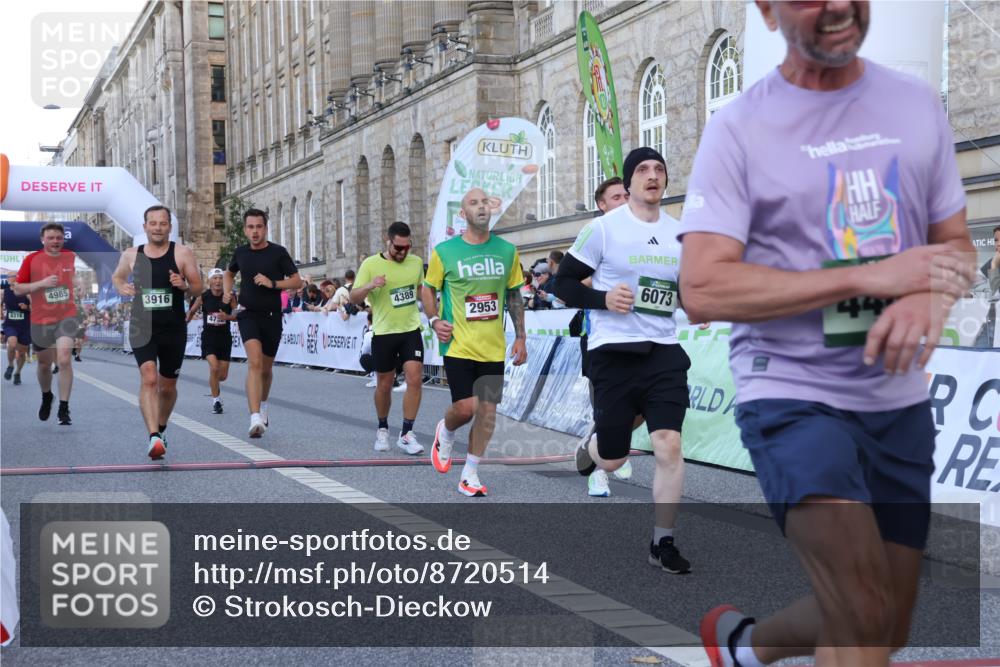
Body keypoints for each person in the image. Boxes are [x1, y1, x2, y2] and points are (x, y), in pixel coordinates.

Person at [678, 2, 976, 665]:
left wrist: (929, 296)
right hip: (791, 392)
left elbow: (955, 246)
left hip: (895, 402)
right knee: (862, 610)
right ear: (766, 8)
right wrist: (867, 277)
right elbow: (702, 288)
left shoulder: (914, 104)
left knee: (885, 621)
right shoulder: (740, 128)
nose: (839, 3)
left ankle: (745, 647)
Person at [554, 147, 691, 573]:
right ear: (628, 183)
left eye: (659, 169)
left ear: (665, 181)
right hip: (613, 352)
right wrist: (603, 298)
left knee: (669, 443)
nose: (652, 176)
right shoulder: (603, 229)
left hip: (664, 351)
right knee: (613, 458)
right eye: (643, 170)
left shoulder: (680, 233)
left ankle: (662, 541)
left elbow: (685, 292)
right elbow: (562, 284)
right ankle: (592, 447)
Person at [422, 187, 528, 497]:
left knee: (488, 412)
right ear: (463, 214)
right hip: (458, 344)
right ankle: (447, 429)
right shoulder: (445, 251)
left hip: (492, 346)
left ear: (492, 208)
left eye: (485, 202)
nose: (481, 207)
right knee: (467, 408)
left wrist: (521, 336)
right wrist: (433, 320)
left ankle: (470, 473)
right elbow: (428, 288)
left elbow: (513, 294)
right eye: (473, 203)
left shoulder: (508, 251)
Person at [113, 206, 202, 459]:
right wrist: (122, 287)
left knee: (167, 387)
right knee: (149, 379)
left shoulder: (182, 253)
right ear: (145, 227)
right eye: (153, 223)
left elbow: (198, 287)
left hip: (173, 328)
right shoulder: (131, 254)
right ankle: (153, 436)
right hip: (143, 326)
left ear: (169, 227)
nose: (158, 228)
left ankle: (161, 428)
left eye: (162, 223)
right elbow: (117, 277)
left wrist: (184, 285)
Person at [570, 175, 637, 497]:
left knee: (639, 407)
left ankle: (605, 441)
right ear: (601, 205)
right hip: (602, 338)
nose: (623, 201)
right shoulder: (596, 235)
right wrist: (605, 287)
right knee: (608, 409)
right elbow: (571, 283)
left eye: (626, 196)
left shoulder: (644, 235)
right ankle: (599, 472)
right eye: (616, 197)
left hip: (644, 337)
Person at [225, 208, 302, 438]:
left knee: (266, 370)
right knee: (255, 363)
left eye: (259, 227)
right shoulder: (240, 253)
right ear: (245, 230)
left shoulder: (278, 253)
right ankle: (255, 416)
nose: (255, 231)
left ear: (265, 229)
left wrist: (273, 283)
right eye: (250, 227)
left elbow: (296, 281)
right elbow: (229, 273)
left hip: (272, 316)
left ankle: (264, 405)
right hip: (248, 314)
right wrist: (227, 294)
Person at [351, 221, 426, 455]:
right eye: (398, 248)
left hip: (410, 330)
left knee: (414, 379)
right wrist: (370, 285)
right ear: (388, 240)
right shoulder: (371, 264)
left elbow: (422, 290)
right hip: (384, 332)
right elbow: (354, 297)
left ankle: (406, 434)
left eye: (407, 247)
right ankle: (382, 428)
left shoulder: (415, 263)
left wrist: (434, 315)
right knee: (384, 383)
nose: (403, 252)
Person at [13, 222, 80, 425]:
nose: (55, 241)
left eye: (59, 238)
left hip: (66, 316)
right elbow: (17, 289)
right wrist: (41, 284)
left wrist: (79, 284)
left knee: (64, 358)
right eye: (51, 238)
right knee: (44, 365)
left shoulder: (70, 256)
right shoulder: (31, 259)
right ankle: (47, 396)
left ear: (63, 239)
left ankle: (64, 407)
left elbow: (75, 278)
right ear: (43, 240)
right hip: (41, 318)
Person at [187, 268, 237, 413]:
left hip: (224, 338)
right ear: (210, 281)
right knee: (214, 368)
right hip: (208, 337)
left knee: (222, 376)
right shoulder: (204, 296)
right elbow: (191, 311)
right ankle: (216, 401)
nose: (218, 281)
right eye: (215, 278)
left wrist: (227, 317)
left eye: (220, 278)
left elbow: (237, 313)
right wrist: (184, 323)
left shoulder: (230, 296)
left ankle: (214, 383)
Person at [2, 279, 30, 385]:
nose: (11, 280)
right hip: (11, 324)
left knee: (22, 353)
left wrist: (26, 307)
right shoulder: (5, 292)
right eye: (9, 278)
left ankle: (17, 373)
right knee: (12, 343)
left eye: (13, 277)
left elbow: (37, 308)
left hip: (24, 326)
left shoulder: (28, 292)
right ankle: (10, 365)